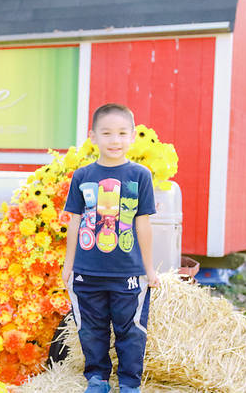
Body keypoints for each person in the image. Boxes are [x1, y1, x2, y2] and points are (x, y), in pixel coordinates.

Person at [62, 103, 161, 393]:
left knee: (130, 330)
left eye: (121, 133)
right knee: (91, 329)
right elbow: (74, 223)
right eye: (106, 133)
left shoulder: (140, 175)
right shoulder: (82, 176)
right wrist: (69, 265)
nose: (114, 140)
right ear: (93, 136)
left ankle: (130, 384)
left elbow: (143, 224)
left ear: (132, 136)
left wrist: (149, 268)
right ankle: (97, 379)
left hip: (127, 273)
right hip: (87, 271)